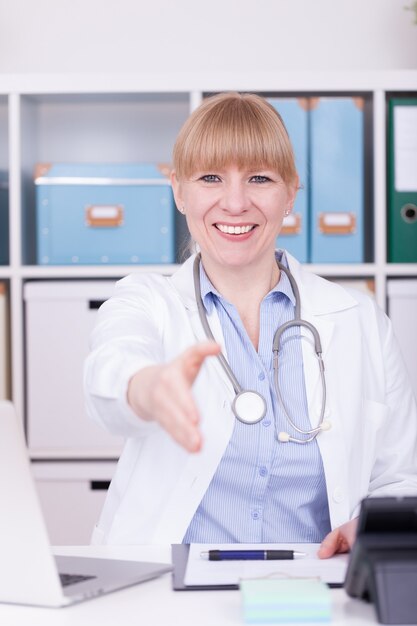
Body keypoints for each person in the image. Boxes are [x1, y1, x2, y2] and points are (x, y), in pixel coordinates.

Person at [84, 92, 417, 556]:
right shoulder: (147, 301)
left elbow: (400, 475)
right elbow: (111, 371)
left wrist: (370, 526)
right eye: (210, 178)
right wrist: (148, 388)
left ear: (290, 192)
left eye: (259, 178)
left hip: (313, 583)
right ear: (180, 191)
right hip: (167, 587)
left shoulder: (359, 320)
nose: (235, 203)